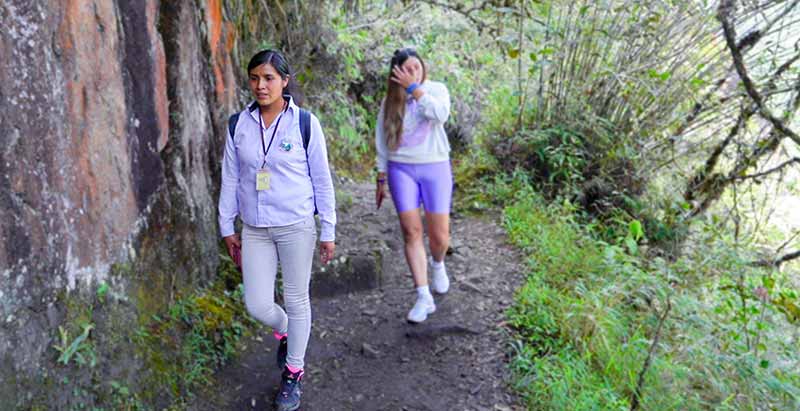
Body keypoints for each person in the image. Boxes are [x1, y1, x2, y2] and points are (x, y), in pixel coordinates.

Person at [218, 49, 336, 411]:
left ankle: (293, 374)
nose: (260, 85)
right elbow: (231, 177)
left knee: (298, 298)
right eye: (255, 78)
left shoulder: (304, 123)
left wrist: (328, 228)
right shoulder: (239, 124)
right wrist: (227, 225)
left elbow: (321, 178)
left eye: (269, 78)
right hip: (254, 229)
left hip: (296, 225)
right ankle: (286, 329)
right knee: (256, 303)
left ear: (285, 81)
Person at [375, 48, 452, 324]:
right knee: (411, 231)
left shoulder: (436, 90)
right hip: (401, 169)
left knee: (440, 236)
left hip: (435, 167)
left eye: (416, 67)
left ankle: (438, 263)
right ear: (395, 74)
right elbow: (382, 140)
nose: (413, 73)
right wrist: (381, 176)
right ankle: (423, 295)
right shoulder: (389, 102)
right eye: (406, 70)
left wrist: (416, 90)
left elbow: (441, 114)